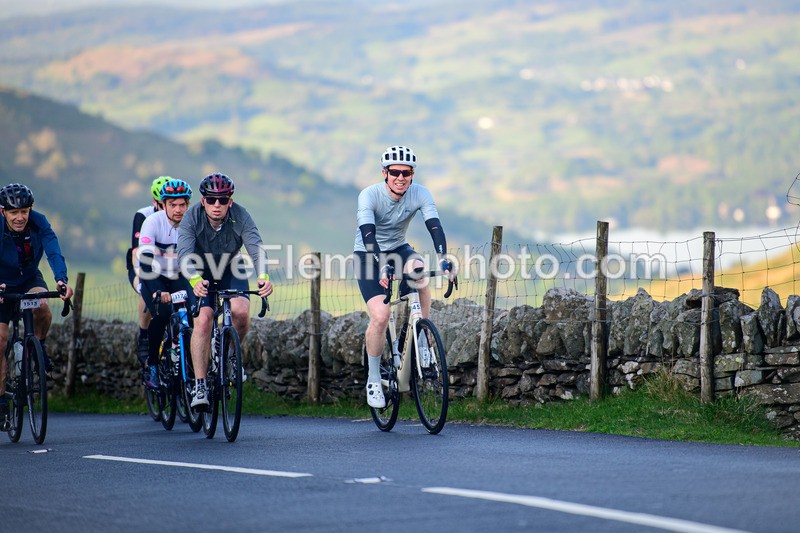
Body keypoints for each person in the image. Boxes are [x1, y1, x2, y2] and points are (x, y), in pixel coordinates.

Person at [354, 146, 455, 408]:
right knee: (380, 315)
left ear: (412, 174)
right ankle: (374, 378)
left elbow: (434, 226)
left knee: (419, 268)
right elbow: (368, 235)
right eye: (395, 172)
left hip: (399, 248)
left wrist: (444, 258)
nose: (401, 177)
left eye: (406, 172)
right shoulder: (370, 195)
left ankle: (421, 335)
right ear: (385, 173)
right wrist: (381, 266)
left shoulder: (420, 193)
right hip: (368, 254)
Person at [176, 173, 273, 409]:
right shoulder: (192, 218)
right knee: (204, 319)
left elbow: (256, 248)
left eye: (222, 200)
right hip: (199, 270)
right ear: (203, 201)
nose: (216, 205)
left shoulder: (240, 215)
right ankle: (200, 386)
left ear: (230, 201)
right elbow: (184, 255)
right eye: (211, 200)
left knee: (240, 311)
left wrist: (263, 277)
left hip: (231, 266)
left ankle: (229, 356)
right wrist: (195, 280)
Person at [0, 183, 73, 427]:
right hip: (2, 284)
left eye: (24, 211)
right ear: (3, 212)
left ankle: (37, 347)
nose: (20, 217)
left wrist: (61, 280)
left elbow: (53, 251)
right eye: (14, 212)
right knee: (0, 341)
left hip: (29, 278)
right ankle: (1, 404)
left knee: (42, 305)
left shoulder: (39, 223)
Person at [137, 178, 195, 389]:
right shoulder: (152, 223)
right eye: (173, 205)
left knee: (193, 312)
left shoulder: (192, 223)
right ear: (163, 205)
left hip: (180, 275)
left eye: (182, 204)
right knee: (161, 313)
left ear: (188, 205)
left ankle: (185, 361)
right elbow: (144, 263)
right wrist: (156, 292)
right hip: (154, 275)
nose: (178, 209)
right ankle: (152, 364)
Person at [126, 176, 168, 372]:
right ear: (155, 202)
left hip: (169, 268)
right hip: (141, 264)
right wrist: (142, 276)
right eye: (163, 204)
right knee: (146, 289)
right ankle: (144, 336)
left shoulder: (180, 216)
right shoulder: (143, 216)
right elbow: (137, 252)